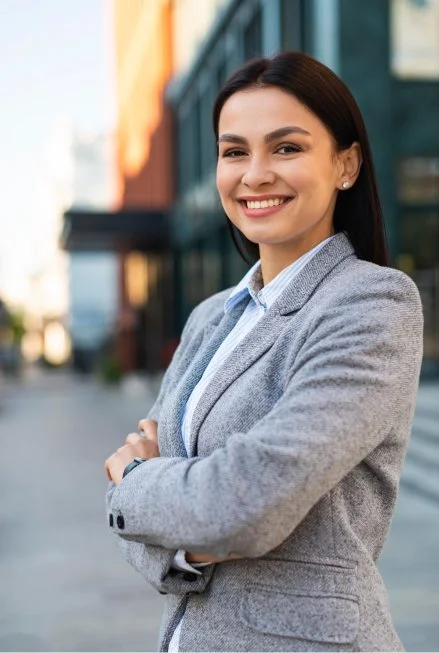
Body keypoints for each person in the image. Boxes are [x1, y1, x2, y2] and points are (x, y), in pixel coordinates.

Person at [105, 51, 423, 652]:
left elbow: (247, 501)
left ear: (346, 164)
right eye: (234, 151)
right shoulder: (209, 318)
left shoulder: (371, 303)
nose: (254, 174)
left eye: (287, 148)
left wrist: (136, 483)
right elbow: (154, 522)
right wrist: (182, 532)